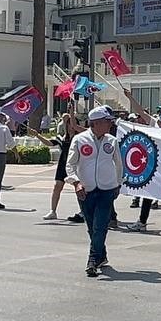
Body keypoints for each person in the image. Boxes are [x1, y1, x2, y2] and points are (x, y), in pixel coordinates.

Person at [64, 106, 123, 277]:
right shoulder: (80, 139)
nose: (110, 125)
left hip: (107, 189)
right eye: (107, 122)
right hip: (85, 190)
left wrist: (118, 184)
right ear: (96, 123)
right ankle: (101, 255)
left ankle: (92, 260)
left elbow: (119, 164)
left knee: (100, 226)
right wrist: (76, 183)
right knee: (91, 227)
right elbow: (70, 164)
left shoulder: (112, 141)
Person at [36, 113, 84, 221]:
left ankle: (84, 211)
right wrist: (37, 135)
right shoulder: (63, 138)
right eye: (68, 124)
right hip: (63, 164)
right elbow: (50, 143)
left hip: (76, 165)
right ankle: (53, 211)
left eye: (72, 123)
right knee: (57, 186)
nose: (70, 126)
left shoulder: (80, 138)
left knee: (79, 188)